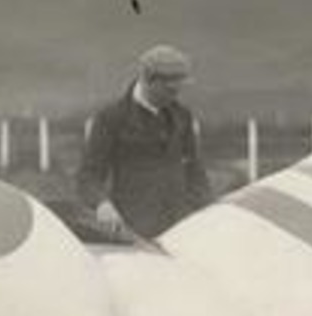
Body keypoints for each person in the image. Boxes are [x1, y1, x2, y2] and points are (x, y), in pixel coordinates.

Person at [77, 45, 213, 242]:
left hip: (182, 229)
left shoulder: (182, 116)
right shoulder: (110, 119)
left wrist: (208, 208)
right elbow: (88, 176)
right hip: (134, 232)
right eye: (169, 90)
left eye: (178, 90)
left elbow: (195, 169)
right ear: (148, 80)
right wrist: (102, 204)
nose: (175, 96)